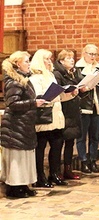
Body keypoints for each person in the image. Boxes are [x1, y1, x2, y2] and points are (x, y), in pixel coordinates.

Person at [0, 51, 46, 198]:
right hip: (15, 126)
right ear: (17, 64)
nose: (29, 64)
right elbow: (12, 103)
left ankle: (23, 185)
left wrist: (37, 100)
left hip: (24, 124)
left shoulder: (24, 79)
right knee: (17, 159)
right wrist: (33, 103)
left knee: (25, 157)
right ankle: (14, 188)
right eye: (26, 61)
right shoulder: (13, 80)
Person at [30, 49, 66, 186]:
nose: (50, 61)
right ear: (39, 61)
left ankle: (54, 173)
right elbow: (38, 95)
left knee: (57, 144)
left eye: (50, 59)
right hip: (43, 116)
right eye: (47, 59)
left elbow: (58, 95)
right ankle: (40, 177)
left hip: (56, 114)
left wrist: (70, 92)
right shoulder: (34, 77)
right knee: (41, 147)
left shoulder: (51, 75)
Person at [75, 44, 99, 173]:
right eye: (90, 54)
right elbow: (77, 86)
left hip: (97, 104)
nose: (93, 57)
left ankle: (93, 160)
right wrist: (83, 89)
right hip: (84, 105)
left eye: (95, 54)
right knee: (82, 136)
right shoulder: (78, 68)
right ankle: (83, 161)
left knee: (95, 135)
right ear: (84, 54)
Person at [53, 49, 83, 180]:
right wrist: (70, 93)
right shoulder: (57, 74)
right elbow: (57, 92)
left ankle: (68, 169)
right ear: (61, 61)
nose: (72, 60)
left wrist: (82, 89)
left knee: (70, 142)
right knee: (59, 142)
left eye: (72, 58)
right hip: (63, 111)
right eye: (68, 58)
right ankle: (57, 170)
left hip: (73, 110)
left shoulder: (73, 73)